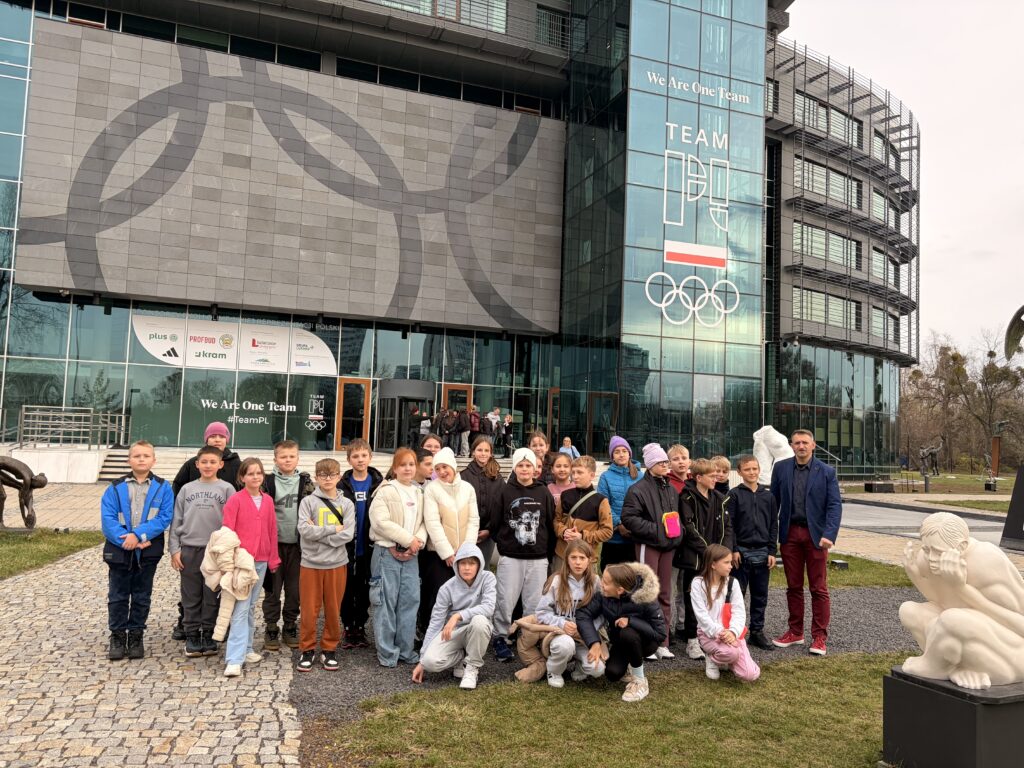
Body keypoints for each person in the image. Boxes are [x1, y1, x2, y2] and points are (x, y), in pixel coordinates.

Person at [770, 429, 842, 655]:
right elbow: (773, 503)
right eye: (797, 443)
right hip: (790, 534)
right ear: (791, 445)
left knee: (818, 588)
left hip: (816, 536)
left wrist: (829, 534)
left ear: (813, 445)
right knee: (793, 586)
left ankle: (819, 637)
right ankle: (795, 632)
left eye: (804, 442)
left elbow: (834, 505)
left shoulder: (826, 472)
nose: (800, 446)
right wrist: (772, 536)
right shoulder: (781, 468)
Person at [101, 440, 174, 661]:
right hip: (120, 550)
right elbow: (108, 519)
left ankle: (135, 635)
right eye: (137, 456)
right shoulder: (115, 487)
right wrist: (127, 539)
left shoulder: (163, 487)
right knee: (118, 595)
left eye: (146, 456)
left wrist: (139, 535)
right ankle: (117, 635)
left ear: (154, 460)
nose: (141, 459)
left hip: (148, 550)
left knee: (142, 595)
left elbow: (164, 517)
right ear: (129, 460)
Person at [169, 421, 241, 641]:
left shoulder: (233, 473)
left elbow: (236, 512)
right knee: (191, 591)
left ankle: (212, 629)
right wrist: (174, 548)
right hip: (191, 544)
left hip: (217, 546)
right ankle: (189, 627)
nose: (217, 439)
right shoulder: (188, 480)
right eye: (213, 436)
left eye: (221, 436)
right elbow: (177, 512)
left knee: (214, 591)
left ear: (220, 464)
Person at [491, 447, 555, 663]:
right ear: (515, 467)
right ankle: (500, 636)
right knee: (505, 599)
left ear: (535, 468)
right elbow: (495, 522)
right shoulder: (504, 491)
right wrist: (505, 543)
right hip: (511, 556)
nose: (525, 469)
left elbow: (549, 523)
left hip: (537, 557)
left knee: (534, 601)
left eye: (528, 465)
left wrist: (545, 550)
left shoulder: (543, 492)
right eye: (521, 465)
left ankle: (528, 637)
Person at [621, 443, 682, 658]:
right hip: (648, 544)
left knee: (665, 593)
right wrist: (656, 531)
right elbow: (629, 518)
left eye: (666, 461)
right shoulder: (637, 489)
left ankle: (662, 641)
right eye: (660, 462)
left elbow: (676, 517)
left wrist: (678, 534)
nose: (665, 465)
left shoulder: (671, 489)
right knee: (647, 592)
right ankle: (647, 642)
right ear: (650, 464)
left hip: (668, 546)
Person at [222, 457, 280, 677]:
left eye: (259, 473)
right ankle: (234, 658)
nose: (255, 477)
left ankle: (246, 648)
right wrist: (229, 562)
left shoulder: (268, 501)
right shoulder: (235, 500)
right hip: (242, 562)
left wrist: (273, 558)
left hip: (262, 560)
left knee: (250, 605)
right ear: (242, 477)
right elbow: (227, 532)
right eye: (250, 473)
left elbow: (271, 530)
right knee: (241, 607)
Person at [369, 448, 427, 667]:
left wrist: (417, 542)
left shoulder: (419, 493)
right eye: (403, 465)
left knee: (409, 602)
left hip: (411, 556)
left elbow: (424, 522)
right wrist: (406, 540)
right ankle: (387, 653)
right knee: (385, 602)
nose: (408, 469)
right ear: (395, 468)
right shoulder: (385, 490)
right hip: (387, 554)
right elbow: (380, 522)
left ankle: (405, 649)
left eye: (411, 464)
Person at [296, 458, 355, 672]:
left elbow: (348, 534)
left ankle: (329, 648)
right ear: (316, 477)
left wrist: (319, 533)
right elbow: (304, 530)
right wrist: (333, 530)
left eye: (331, 475)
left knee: (332, 609)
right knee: (309, 610)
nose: (327, 479)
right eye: (322, 475)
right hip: (311, 563)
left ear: (339, 477)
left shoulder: (346, 504)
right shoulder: (308, 502)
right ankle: (307, 649)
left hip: (336, 563)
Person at [576, 562, 665, 703]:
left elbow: (660, 634)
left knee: (628, 633)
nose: (601, 585)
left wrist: (631, 621)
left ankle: (640, 681)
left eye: (605, 583)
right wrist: (594, 642)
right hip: (621, 642)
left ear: (619, 590)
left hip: (646, 643)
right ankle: (629, 665)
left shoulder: (646, 598)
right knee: (612, 674)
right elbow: (583, 614)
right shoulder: (603, 595)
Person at [412, 542, 496, 690]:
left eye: (472, 563)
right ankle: (461, 656)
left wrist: (457, 616)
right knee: (430, 662)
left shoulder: (487, 578)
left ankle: (472, 668)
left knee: (480, 621)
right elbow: (436, 622)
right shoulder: (447, 588)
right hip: (455, 631)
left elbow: (489, 607)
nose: (467, 567)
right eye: (463, 563)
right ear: (456, 565)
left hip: (476, 629)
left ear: (479, 565)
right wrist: (422, 660)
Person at [676, 458, 733, 659]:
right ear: (699, 477)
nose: (716, 478)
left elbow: (727, 527)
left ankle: (712, 636)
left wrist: (723, 553)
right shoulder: (686, 497)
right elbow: (688, 527)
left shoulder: (719, 498)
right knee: (694, 598)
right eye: (712, 476)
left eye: (717, 475)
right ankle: (692, 640)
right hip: (696, 559)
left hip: (716, 559)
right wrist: (708, 552)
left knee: (716, 597)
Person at [420, 447, 480, 637]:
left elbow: (473, 520)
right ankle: (431, 637)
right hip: (439, 556)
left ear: (453, 466)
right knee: (437, 596)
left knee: (462, 598)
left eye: (445, 467)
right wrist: (447, 553)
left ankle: (458, 636)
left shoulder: (468, 489)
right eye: (437, 468)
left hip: (463, 555)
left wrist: (466, 551)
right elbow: (432, 523)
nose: (442, 472)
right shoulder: (432, 489)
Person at [262, 440, 313, 652]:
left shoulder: (305, 482)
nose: (288, 460)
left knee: (295, 590)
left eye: (292, 456)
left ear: (298, 458)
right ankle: (271, 626)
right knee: (273, 590)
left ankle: (290, 625)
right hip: (274, 545)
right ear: (275, 459)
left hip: (298, 546)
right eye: (283, 457)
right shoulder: (267, 482)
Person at [534, 540, 605, 687]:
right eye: (573, 557)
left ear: (589, 560)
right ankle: (554, 670)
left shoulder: (595, 581)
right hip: (560, 634)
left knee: (598, 669)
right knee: (566, 645)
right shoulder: (557, 580)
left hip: (584, 637)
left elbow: (602, 614)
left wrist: (588, 629)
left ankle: (581, 666)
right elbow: (541, 613)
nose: (578, 562)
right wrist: (562, 623)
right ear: (566, 559)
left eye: (582, 558)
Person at [725, 455, 779, 651]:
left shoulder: (768, 496)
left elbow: (773, 524)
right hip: (741, 553)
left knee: (760, 595)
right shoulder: (734, 495)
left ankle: (757, 631)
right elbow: (729, 524)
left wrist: (772, 550)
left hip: (763, 552)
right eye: (747, 469)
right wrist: (733, 549)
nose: (752, 472)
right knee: (737, 595)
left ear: (759, 470)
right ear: (739, 472)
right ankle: (735, 631)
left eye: (755, 469)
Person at [690, 543, 760, 682]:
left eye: (730, 562)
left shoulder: (733, 583)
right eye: (726, 562)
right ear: (713, 564)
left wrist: (733, 632)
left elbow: (739, 612)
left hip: (731, 634)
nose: (731, 566)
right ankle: (713, 658)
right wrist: (720, 632)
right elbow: (702, 616)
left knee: (750, 675)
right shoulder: (698, 584)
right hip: (709, 634)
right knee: (732, 653)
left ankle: (728, 658)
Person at [339, 439, 384, 650]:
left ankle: (361, 625)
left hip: (369, 545)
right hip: (347, 547)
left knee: (365, 587)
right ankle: (348, 626)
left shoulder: (379, 484)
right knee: (347, 588)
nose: (360, 460)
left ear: (370, 457)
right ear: (349, 460)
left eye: (364, 455)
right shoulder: (341, 485)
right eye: (355, 456)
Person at [553, 456, 613, 571]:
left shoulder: (601, 501)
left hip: (586, 557)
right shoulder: (565, 495)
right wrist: (564, 531)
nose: (575, 476)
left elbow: (607, 531)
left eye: (579, 472)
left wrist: (582, 536)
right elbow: (556, 520)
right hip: (562, 555)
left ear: (592, 475)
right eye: (573, 472)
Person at [461, 435, 506, 568]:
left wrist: (489, 530)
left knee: (483, 567)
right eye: (480, 450)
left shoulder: (497, 478)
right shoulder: (463, 476)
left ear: (491, 453)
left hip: (488, 533)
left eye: (486, 450)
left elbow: (501, 506)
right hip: (466, 532)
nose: (483, 453)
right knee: (466, 567)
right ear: (473, 452)